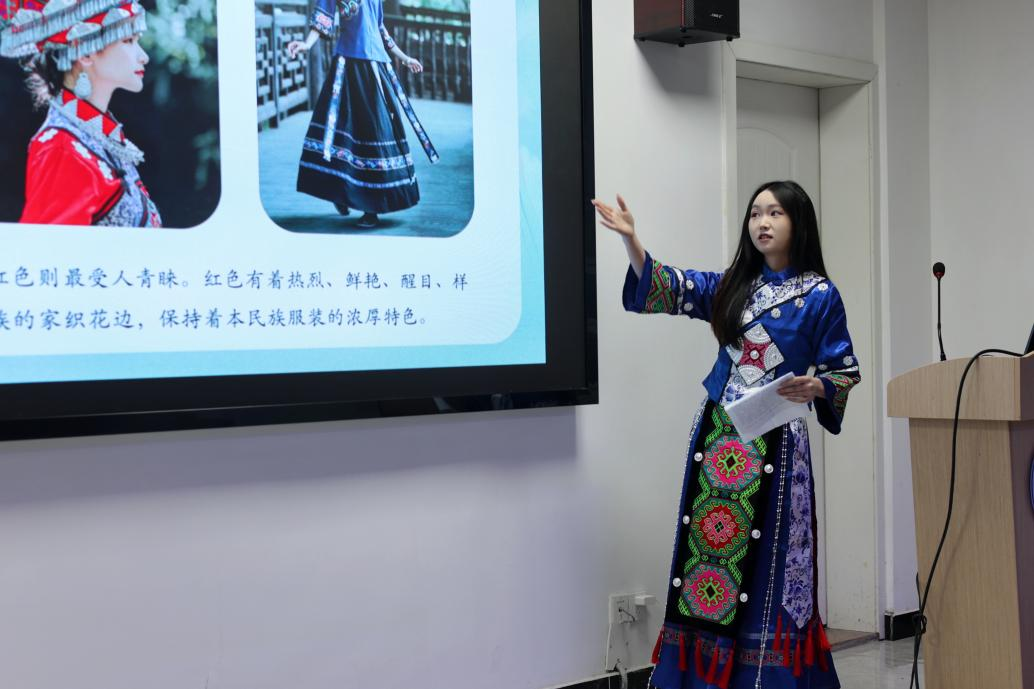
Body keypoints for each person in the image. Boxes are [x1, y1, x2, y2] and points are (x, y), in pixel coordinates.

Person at [593, 181, 860, 689]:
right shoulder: (733, 285)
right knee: (710, 561)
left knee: (773, 564)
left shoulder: (821, 295)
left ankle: (767, 676)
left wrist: (819, 386)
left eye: (775, 213)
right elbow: (672, 287)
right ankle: (703, 675)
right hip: (720, 443)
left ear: (798, 222)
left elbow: (844, 370)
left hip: (779, 443)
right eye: (755, 213)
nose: (762, 223)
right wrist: (632, 240)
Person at [0, 0, 161, 227]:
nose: (143, 56)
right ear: (85, 52)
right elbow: (47, 246)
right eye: (128, 40)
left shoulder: (99, 137)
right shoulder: (62, 147)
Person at [288, 0, 438, 229]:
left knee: (376, 133)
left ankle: (371, 207)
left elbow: (379, 27)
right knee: (342, 133)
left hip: (376, 67)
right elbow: (324, 17)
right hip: (348, 65)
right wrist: (307, 45)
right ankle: (341, 193)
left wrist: (405, 58)